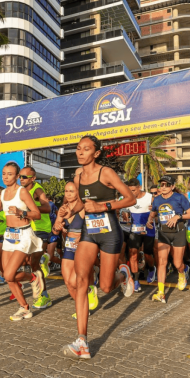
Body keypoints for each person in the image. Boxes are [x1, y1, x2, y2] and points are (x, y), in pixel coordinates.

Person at [64, 135, 136, 359]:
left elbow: (130, 198)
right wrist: (69, 211)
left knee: (106, 287)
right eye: (78, 148)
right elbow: (79, 203)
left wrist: (103, 206)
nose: (81, 152)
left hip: (110, 233)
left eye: (86, 149)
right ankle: (82, 342)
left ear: (96, 153)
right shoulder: (77, 176)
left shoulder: (106, 173)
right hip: (88, 233)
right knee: (81, 280)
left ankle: (123, 275)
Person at [0, 162, 43, 321]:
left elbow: (36, 214)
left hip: (24, 235)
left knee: (9, 274)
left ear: (16, 176)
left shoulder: (21, 192)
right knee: (7, 276)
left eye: (10, 174)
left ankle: (33, 278)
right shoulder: (2, 194)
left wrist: (22, 212)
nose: (6, 177)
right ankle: (24, 308)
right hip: (9, 235)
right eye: (4, 173)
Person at [52, 181, 98, 318]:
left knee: (74, 280)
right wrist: (58, 227)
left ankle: (89, 291)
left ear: (78, 192)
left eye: (71, 191)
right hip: (69, 246)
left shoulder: (82, 207)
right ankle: (82, 308)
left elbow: (92, 225)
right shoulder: (63, 208)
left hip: (83, 245)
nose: (68, 194)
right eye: (66, 191)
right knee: (67, 281)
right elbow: (55, 230)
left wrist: (83, 237)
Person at [147, 175, 190, 302]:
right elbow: (153, 214)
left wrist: (177, 217)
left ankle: (182, 273)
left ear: (172, 186)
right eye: (162, 184)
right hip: (163, 234)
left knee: (177, 263)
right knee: (161, 262)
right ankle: (161, 292)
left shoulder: (179, 198)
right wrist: (149, 221)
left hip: (178, 232)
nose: (164, 187)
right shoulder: (156, 200)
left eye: (167, 185)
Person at [19, 166, 53, 309]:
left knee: (34, 263)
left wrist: (31, 209)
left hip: (41, 229)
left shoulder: (37, 190)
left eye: (24, 177)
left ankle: (44, 296)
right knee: (28, 262)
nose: (21, 179)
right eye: (20, 176)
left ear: (33, 178)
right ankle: (44, 258)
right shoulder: (21, 190)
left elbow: (48, 208)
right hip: (28, 229)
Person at [124, 178, 155, 293]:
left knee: (148, 255)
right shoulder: (128, 198)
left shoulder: (150, 197)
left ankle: (151, 269)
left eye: (133, 190)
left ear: (139, 187)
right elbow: (120, 210)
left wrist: (154, 212)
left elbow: (157, 213)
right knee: (133, 254)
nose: (132, 193)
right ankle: (136, 280)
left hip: (149, 230)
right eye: (129, 190)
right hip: (135, 230)